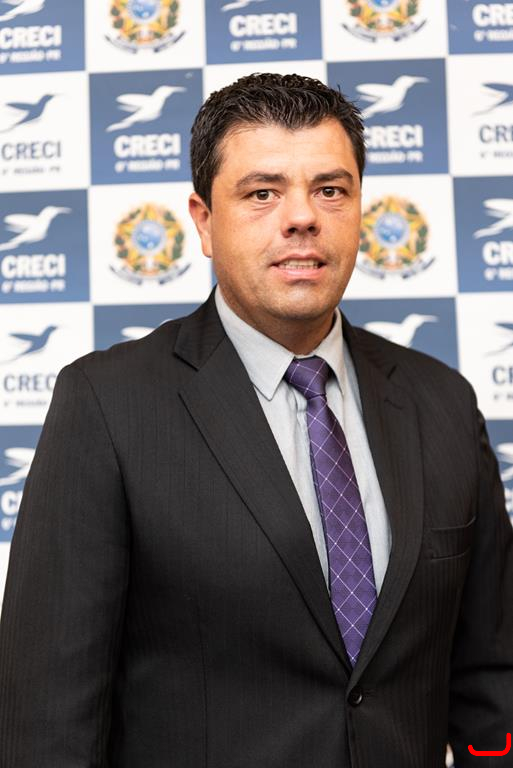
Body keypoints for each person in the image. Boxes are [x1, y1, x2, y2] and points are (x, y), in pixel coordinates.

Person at [0, 73, 512, 768]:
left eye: (329, 190)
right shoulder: (107, 405)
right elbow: (46, 720)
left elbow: (492, 680)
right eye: (262, 193)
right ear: (204, 221)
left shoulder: (441, 402)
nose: (302, 217)